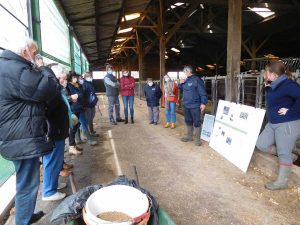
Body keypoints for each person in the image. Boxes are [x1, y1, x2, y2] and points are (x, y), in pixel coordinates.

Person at [0, 38, 60, 225]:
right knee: (27, 184)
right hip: (21, 137)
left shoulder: (8, 67)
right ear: (25, 51)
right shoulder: (15, 69)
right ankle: (23, 221)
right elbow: (48, 87)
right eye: (34, 53)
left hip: (17, 135)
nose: (35, 57)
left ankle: (24, 216)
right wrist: (43, 68)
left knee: (24, 181)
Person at [256, 61, 300, 190]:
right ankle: (289, 155)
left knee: (283, 153)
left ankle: (282, 182)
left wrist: (290, 111)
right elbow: (277, 97)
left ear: (274, 74)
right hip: (273, 122)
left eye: (266, 72)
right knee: (261, 144)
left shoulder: (288, 85)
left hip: (287, 123)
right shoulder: (274, 84)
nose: (264, 74)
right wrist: (267, 86)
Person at [42, 64, 70, 201]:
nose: (65, 81)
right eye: (63, 79)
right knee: (52, 161)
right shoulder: (52, 91)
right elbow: (47, 112)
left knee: (55, 161)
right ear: (57, 77)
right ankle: (48, 191)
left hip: (57, 131)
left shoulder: (55, 90)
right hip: (54, 132)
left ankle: (53, 185)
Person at [67, 72, 97, 155]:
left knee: (76, 126)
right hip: (74, 108)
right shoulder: (69, 86)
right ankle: (88, 140)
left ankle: (76, 142)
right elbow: (78, 95)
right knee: (80, 125)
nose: (76, 79)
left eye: (76, 77)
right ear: (70, 78)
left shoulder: (77, 85)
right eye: (74, 77)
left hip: (80, 107)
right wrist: (78, 95)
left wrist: (78, 94)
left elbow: (80, 94)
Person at [179, 65, 208, 146]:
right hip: (186, 104)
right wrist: (180, 84)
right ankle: (189, 136)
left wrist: (203, 103)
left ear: (188, 71)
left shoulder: (197, 80)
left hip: (195, 105)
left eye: (184, 72)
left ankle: (197, 139)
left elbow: (202, 92)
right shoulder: (186, 80)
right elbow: (182, 89)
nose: (184, 73)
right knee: (188, 120)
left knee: (197, 122)